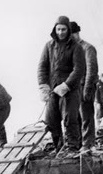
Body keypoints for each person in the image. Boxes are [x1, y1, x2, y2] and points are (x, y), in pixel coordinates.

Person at [37, 15, 85, 156]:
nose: (61, 32)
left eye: (63, 29)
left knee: (70, 118)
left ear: (68, 30)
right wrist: (43, 86)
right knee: (51, 120)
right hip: (53, 89)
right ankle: (59, 148)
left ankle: (72, 147)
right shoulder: (49, 46)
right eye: (58, 29)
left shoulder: (76, 47)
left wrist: (66, 85)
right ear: (54, 29)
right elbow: (42, 67)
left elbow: (79, 70)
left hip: (70, 90)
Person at [69, 21, 98, 153]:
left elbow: (91, 70)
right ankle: (80, 143)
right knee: (76, 117)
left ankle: (88, 143)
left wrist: (87, 88)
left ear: (76, 33)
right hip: (74, 89)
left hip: (85, 86)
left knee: (86, 116)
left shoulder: (88, 48)